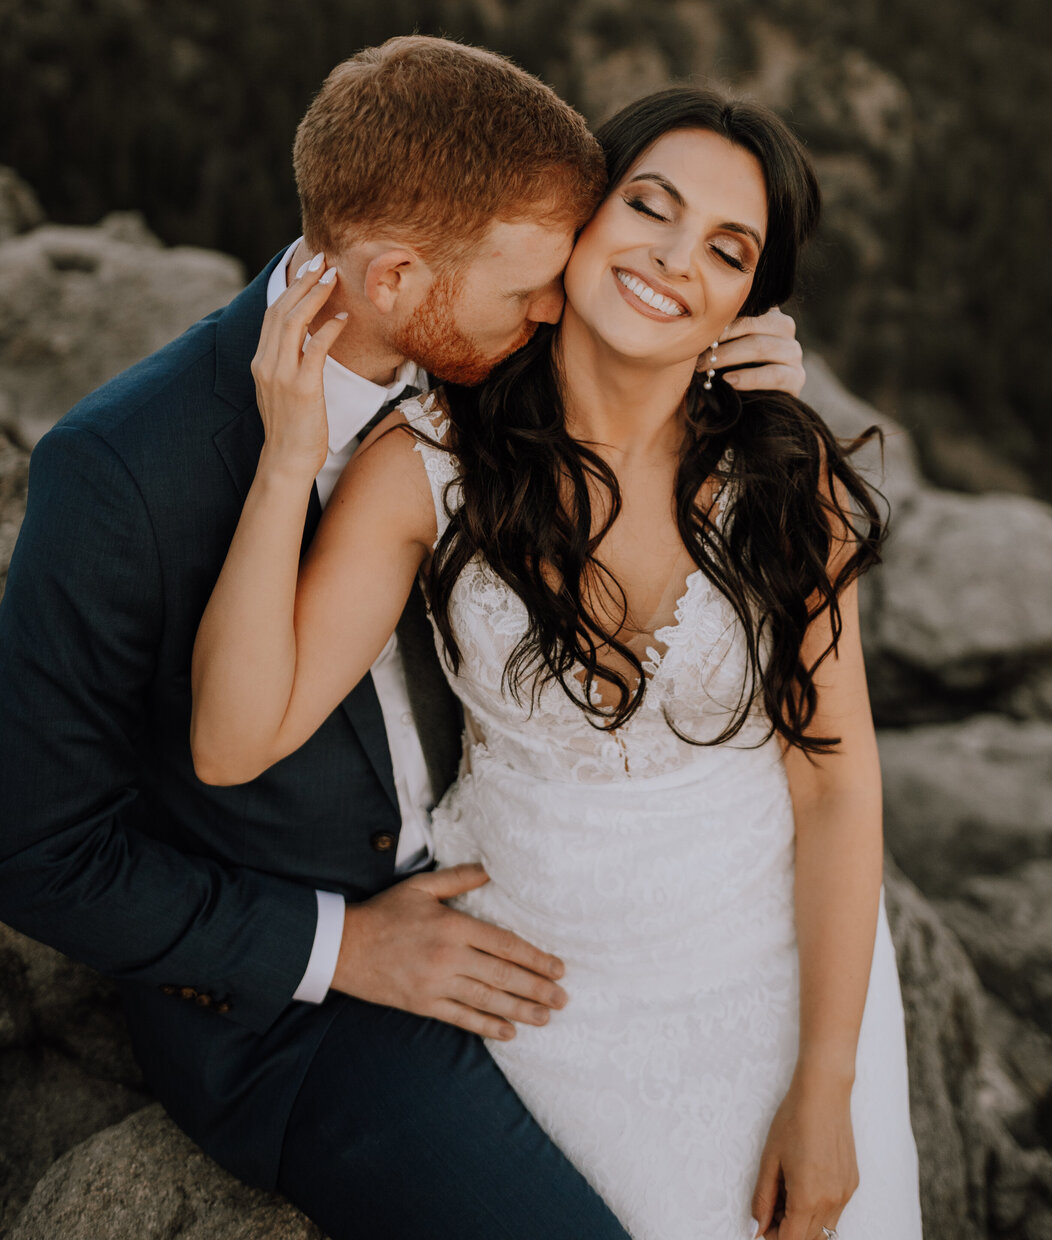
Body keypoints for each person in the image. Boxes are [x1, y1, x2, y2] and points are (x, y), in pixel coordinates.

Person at [0, 38, 811, 1240]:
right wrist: (340, 950)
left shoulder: (480, 348)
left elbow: (628, 384)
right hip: (305, 1016)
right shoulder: (121, 474)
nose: (557, 307)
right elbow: (33, 851)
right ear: (391, 281)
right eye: (531, 286)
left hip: (553, 895)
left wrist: (732, 372)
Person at [189, 81, 924, 1240]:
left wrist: (826, 1083)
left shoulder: (785, 480)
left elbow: (834, 781)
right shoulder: (428, 462)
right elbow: (233, 740)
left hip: (776, 974)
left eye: (727, 249)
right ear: (581, 218)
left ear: (748, 297)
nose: (676, 260)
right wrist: (289, 467)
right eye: (650, 206)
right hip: (549, 998)